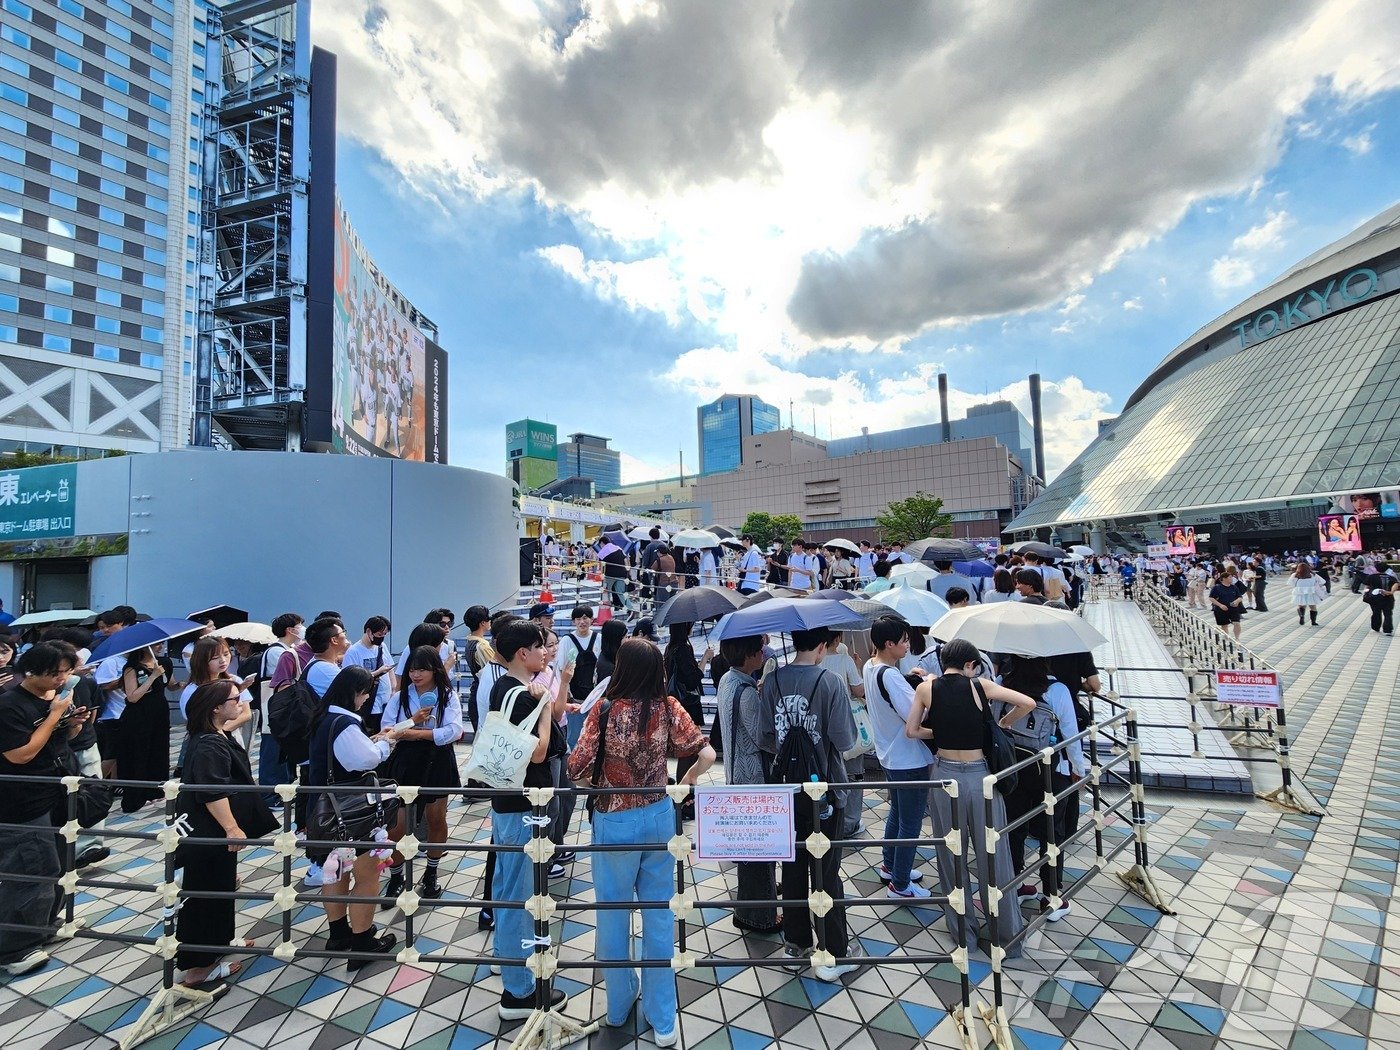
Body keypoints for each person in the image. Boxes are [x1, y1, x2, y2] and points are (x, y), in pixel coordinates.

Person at [568, 639, 712, 1044]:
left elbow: (576, 769)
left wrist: (597, 784)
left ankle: (618, 1006)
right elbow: (706, 754)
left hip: (614, 819)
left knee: (613, 914)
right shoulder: (668, 706)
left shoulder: (604, 709)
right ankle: (663, 1018)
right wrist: (685, 783)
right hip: (659, 814)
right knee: (659, 914)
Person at [904, 639, 1037, 954]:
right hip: (980, 779)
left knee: (952, 857)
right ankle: (1007, 936)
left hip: (945, 778)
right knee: (994, 855)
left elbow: (912, 731)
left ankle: (965, 935)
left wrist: (940, 731)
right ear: (970, 664)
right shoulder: (981, 686)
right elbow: (1028, 703)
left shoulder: (926, 689)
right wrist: (1003, 723)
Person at [756, 627, 861, 980]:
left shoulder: (773, 680)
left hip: (786, 790)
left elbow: (765, 737)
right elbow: (845, 741)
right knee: (826, 870)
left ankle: (795, 943)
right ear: (820, 646)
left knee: (793, 865)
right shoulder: (830, 682)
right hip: (825, 790)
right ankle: (833, 951)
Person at [487, 620, 569, 1020]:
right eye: (539, 647)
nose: (545, 653)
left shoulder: (502, 687)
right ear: (523, 653)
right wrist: (544, 708)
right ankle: (519, 991)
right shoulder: (522, 695)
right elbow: (537, 752)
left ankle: (506, 961)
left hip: (505, 802)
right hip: (523, 805)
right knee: (520, 896)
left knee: (507, 887)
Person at [0, 641, 87, 975]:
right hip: (22, 802)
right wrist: (53, 717)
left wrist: (73, 722)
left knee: (59, 864)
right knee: (31, 870)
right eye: (55, 673)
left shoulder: (54, 698)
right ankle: (13, 949)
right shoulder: (9, 705)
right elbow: (20, 754)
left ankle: (43, 926)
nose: (61, 679)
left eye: (66, 672)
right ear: (31, 671)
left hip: (57, 793)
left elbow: (61, 740)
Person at [174, 681, 268, 986]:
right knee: (206, 894)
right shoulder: (209, 744)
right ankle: (199, 969)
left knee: (221, 888)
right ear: (216, 707)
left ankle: (219, 943)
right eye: (234, 699)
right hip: (210, 833)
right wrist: (231, 828)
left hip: (212, 833)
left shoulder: (214, 735)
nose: (240, 703)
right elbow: (211, 790)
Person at [307, 665, 401, 969]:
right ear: (354, 693)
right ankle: (362, 943)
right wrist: (386, 743)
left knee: (335, 871)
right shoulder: (345, 723)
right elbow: (364, 760)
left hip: (324, 809)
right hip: (351, 813)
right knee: (367, 874)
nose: (366, 698)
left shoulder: (324, 716)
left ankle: (338, 933)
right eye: (365, 693)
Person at [996, 654, 1087, 919]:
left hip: (1012, 769)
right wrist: (1078, 771)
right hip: (1049, 772)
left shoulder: (1001, 682)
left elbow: (993, 724)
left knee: (1014, 828)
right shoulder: (1057, 690)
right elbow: (1071, 734)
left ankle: (1015, 887)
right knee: (1052, 833)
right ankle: (1051, 897)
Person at [380, 646, 464, 901]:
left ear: (434, 670)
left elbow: (454, 730)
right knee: (396, 825)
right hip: (405, 761)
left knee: (436, 819)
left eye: (422, 670)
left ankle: (431, 872)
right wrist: (413, 724)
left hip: (437, 760)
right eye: (412, 670)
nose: (416, 675)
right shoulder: (400, 697)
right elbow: (387, 729)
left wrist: (413, 734)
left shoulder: (447, 696)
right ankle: (396, 875)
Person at [863, 618, 932, 899]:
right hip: (908, 758)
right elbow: (915, 716)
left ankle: (890, 866)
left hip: (889, 753)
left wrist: (909, 678)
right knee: (910, 823)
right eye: (903, 641)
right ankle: (900, 885)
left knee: (898, 813)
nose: (907, 645)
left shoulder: (871, 666)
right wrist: (927, 686)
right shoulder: (890, 675)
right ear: (889, 644)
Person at [714, 634, 778, 932]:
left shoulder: (728, 680)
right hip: (752, 777)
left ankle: (755, 902)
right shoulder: (748, 692)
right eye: (759, 650)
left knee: (749, 849)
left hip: (734, 772)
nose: (763, 653)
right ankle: (758, 916)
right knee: (759, 850)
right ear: (748, 655)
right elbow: (762, 738)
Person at [663, 624, 711, 819]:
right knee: (689, 752)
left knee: (687, 752)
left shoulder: (671, 648)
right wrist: (705, 659)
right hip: (688, 705)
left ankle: (684, 798)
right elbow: (692, 679)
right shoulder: (683, 649)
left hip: (679, 703)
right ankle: (684, 800)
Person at [258, 613, 303, 805]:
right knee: (272, 753)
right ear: (290, 630)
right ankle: (270, 795)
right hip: (276, 710)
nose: (302, 629)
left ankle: (282, 792)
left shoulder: (288, 650)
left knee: (281, 751)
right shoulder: (278, 652)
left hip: (283, 709)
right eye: (299, 625)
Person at [117, 646, 169, 811]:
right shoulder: (131, 668)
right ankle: (135, 797)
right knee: (138, 755)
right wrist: (152, 676)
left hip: (158, 714)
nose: (159, 646)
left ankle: (155, 791)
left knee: (158, 752)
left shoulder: (161, 663)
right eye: (155, 645)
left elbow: (169, 685)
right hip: (139, 717)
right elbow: (132, 697)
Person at [342, 617, 396, 734]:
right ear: (369, 631)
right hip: (368, 702)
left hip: (385, 700)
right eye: (379, 634)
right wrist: (377, 672)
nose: (381, 637)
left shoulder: (382, 646)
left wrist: (393, 689)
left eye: (384, 634)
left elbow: (390, 668)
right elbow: (351, 679)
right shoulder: (354, 651)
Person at [1209, 564, 1247, 642]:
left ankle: (1237, 639)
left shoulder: (1234, 587)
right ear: (1224, 579)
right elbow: (1211, 598)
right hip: (1221, 609)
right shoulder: (1217, 587)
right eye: (1230, 577)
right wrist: (1220, 605)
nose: (1232, 579)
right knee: (1224, 625)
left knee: (1237, 623)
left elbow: (1240, 597)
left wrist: (1236, 601)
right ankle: (1226, 639)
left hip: (1233, 608)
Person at [1362, 562, 1399, 635]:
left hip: (1375, 598)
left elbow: (1367, 586)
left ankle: (1376, 627)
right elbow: (1396, 583)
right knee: (1388, 614)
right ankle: (1388, 630)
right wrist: (1391, 592)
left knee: (1376, 612)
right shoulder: (1391, 577)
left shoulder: (1371, 577)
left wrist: (1366, 592)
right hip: (1388, 598)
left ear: (1376, 569)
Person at [1290, 561, 1326, 626]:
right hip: (1311, 592)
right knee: (1313, 607)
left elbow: (1291, 584)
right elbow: (1322, 582)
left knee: (1301, 606)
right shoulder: (1313, 574)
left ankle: (1302, 616)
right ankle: (1313, 622)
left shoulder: (1295, 575)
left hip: (1300, 592)